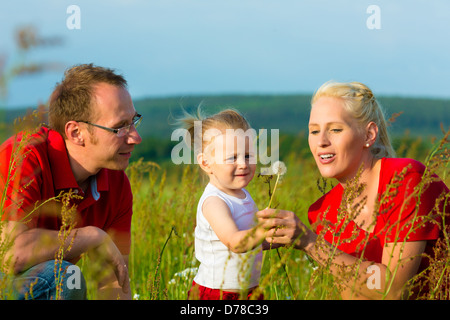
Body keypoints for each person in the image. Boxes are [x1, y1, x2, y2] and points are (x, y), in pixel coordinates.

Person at [257, 81, 449, 300]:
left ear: (369, 135)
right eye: (314, 131)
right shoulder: (324, 213)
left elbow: (394, 290)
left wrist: (311, 243)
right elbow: (358, 293)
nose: (321, 141)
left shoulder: (406, 180)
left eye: (335, 129)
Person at [0, 64, 143, 299]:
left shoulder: (116, 185)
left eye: (133, 121)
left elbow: (114, 284)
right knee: (64, 278)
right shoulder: (22, 158)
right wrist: (92, 236)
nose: (136, 137)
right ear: (76, 133)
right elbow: (12, 256)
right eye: (119, 127)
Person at [180, 108, 268, 300]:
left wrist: (276, 237)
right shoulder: (214, 202)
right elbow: (235, 242)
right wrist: (264, 230)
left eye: (247, 156)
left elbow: (251, 240)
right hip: (217, 293)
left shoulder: (242, 194)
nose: (243, 164)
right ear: (206, 163)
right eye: (232, 158)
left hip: (249, 291)